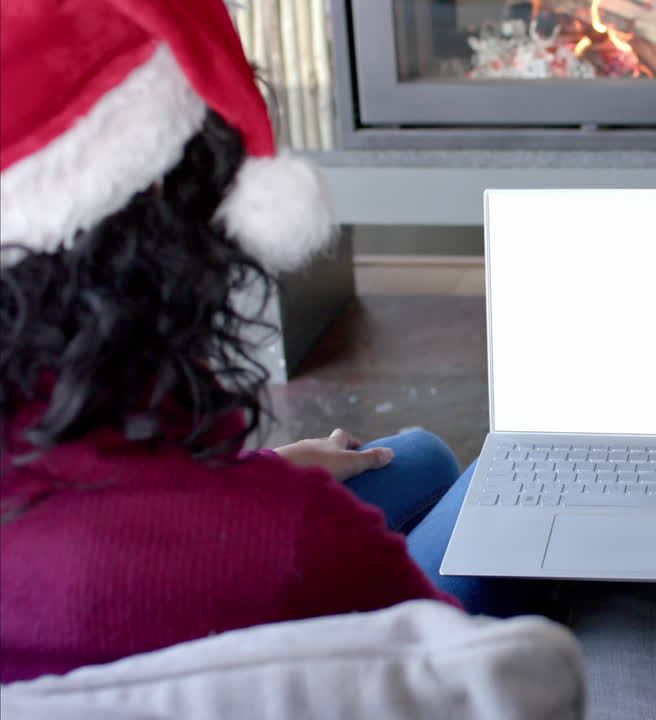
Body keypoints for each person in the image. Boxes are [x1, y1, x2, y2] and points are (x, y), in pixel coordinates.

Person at [0, 0, 484, 682]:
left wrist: (271, 468)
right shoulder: (295, 537)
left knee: (422, 460)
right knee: (503, 477)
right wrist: (266, 495)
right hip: (257, 623)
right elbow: (467, 683)